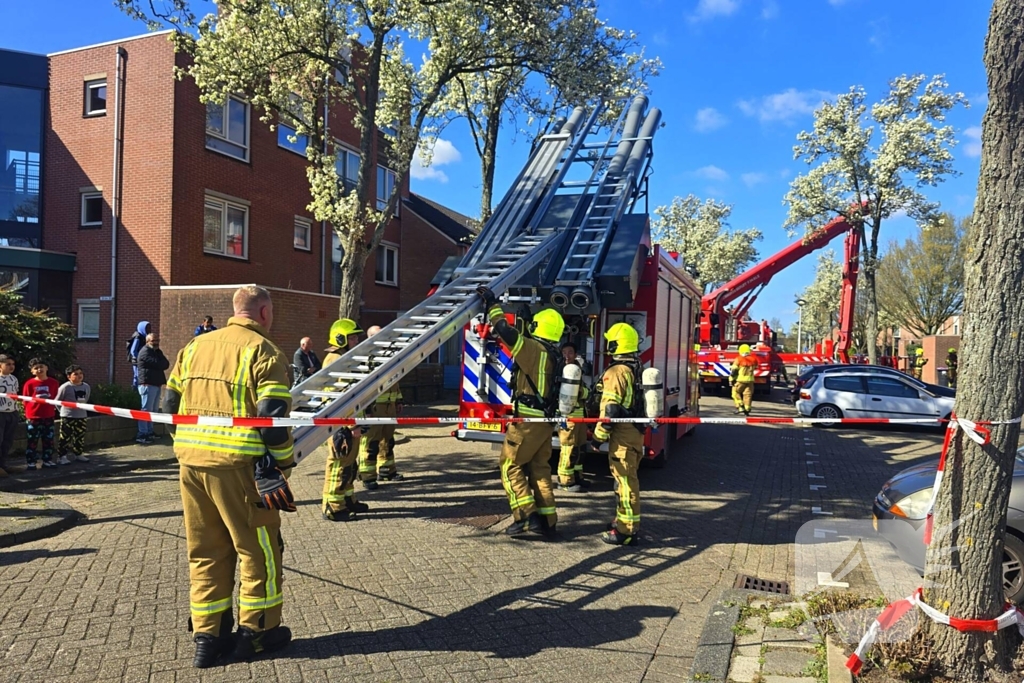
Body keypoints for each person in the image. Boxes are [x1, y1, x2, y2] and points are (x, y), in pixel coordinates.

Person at [163, 285, 295, 668]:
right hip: (239, 467)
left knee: (205, 551)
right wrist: (281, 466)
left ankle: (209, 637)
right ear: (265, 312)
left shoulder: (194, 347)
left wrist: (190, 444)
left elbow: (168, 405)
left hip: (191, 465)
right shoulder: (264, 352)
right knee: (259, 551)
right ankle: (258, 633)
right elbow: (272, 421)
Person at [476, 286, 561, 539]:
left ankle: (525, 517)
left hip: (527, 421)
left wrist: (492, 305)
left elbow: (504, 331)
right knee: (540, 469)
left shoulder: (533, 348)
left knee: (509, 466)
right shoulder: (555, 354)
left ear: (538, 327)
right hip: (545, 422)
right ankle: (548, 520)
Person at [590, 323, 645, 545]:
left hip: (622, 434)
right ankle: (622, 521)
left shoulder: (616, 371)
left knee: (625, 481)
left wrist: (598, 437)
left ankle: (626, 531)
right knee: (624, 479)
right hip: (633, 431)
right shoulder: (635, 366)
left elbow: (610, 409)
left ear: (615, 344)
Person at [321, 318, 370, 521]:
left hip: (348, 423)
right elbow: (340, 397)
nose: (356, 340)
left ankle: (348, 498)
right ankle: (333, 506)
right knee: (339, 466)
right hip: (341, 424)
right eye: (352, 337)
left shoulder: (344, 357)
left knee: (350, 465)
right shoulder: (336, 360)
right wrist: (351, 425)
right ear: (341, 339)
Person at [359, 324, 405, 489]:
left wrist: (398, 400)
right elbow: (364, 386)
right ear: (371, 337)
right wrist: (367, 408)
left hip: (389, 406)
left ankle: (386, 471)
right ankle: (367, 476)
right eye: (379, 335)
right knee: (371, 442)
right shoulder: (366, 356)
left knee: (388, 440)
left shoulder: (388, 356)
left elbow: (395, 381)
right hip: (375, 407)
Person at [556, 341, 589, 492]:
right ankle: (565, 481)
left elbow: (584, 391)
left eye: (570, 352)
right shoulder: (559, 370)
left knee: (580, 448)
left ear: (575, 355)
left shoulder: (577, 370)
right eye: (564, 352)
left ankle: (578, 476)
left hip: (580, 415)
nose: (567, 356)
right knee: (568, 447)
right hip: (567, 416)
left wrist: (583, 393)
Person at [23, 358, 58, 470]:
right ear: (32, 371)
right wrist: (28, 413)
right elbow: (25, 399)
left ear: (46, 368)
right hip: (34, 416)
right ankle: (31, 461)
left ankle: (47, 460)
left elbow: (56, 397)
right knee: (32, 439)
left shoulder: (54, 383)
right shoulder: (29, 384)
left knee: (48, 439)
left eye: (41, 366)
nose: (39, 369)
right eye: (36, 368)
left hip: (48, 415)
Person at [136, 332, 169, 444]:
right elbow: (159, 364)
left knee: (153, 411)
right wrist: (160, 362)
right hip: (147, 384)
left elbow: (166, 364)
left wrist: (160, 360)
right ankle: (142, 434)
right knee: (145, 410)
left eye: (157, 341)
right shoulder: (145, 352)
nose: (156, 343)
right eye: (153, 341)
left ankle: (150, 432)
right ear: (147, 341)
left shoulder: (157, 352)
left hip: (156, 384)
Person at [56, 365, 91, 465]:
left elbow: (86, 399)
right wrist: (63, 412)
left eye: (80, 373)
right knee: (65, 437)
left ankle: (78, 453)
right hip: (68, 416)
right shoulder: (65, 387)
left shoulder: (86, 386)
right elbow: (57, 401)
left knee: (80, 436)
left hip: (81, 415)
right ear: (69, 376)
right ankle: (62, 456)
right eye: (75, 374)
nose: (79, 376)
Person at [0, 355, 24, 476]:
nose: (11, 366)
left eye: (12, 364)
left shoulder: (14, 378)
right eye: (8, 364)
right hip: (1, 413)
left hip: (12, 412)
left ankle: (3, 464)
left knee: (7, 441)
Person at [730, 344, 757, 416]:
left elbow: (734, 371)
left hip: (740, 380)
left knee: (735, 392)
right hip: (750, 380)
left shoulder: (739, 359)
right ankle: (747, 409)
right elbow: (756, 367)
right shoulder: (754, 359)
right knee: (748, 395)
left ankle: (740, 406)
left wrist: (732, 379)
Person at [127, 320, 151, 387]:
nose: (149, 330)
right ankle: (135, 392)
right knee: (137, 376)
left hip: (141, 360)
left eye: (149, 328)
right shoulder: (138, 338)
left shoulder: (144, 337)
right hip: (137, 361)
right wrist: (140, 358)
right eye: (147, 328)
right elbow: (133, 351)